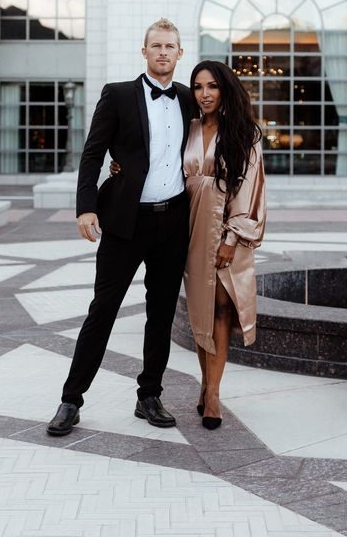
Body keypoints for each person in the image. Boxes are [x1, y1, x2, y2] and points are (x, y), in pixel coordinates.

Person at [46, 18, 195, 437]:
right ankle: (70, 401)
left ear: (180, 54)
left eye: (171, 46)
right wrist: (85, 207)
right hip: (125, 223)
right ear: (144, 51)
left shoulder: (188, 100)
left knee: (161, 314)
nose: (163, 52)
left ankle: (149, 394)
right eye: (156, 45)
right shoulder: (117, 95)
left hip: (173, 223)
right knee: (102, 311)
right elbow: (93, 153)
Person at [110, 59, 266, 430]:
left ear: (225, 89)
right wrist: (122, 167)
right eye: (198, 87)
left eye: (212, 86)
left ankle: (213, 394)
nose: (205, 94)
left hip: (230, 230)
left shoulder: (247, 134)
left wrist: (232, 238)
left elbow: (250, 189)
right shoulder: (188, 127)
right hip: (191, 228)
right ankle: (205, 385)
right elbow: (157, 156)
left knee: (223, 309)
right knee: (202, 311)